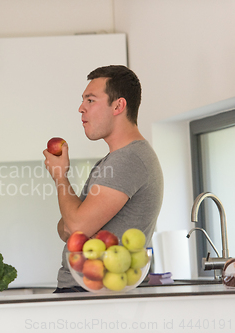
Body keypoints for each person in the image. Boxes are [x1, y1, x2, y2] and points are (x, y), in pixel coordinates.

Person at [43, 65, 163, 292]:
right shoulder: (112, 161)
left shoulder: (129, 160)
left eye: (90, 100)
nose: (81, 108)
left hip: (94, 293)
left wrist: (60, 177)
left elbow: (74, 226)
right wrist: (75, 224)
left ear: (118, 105)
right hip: (87, 290)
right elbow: (65, 229)